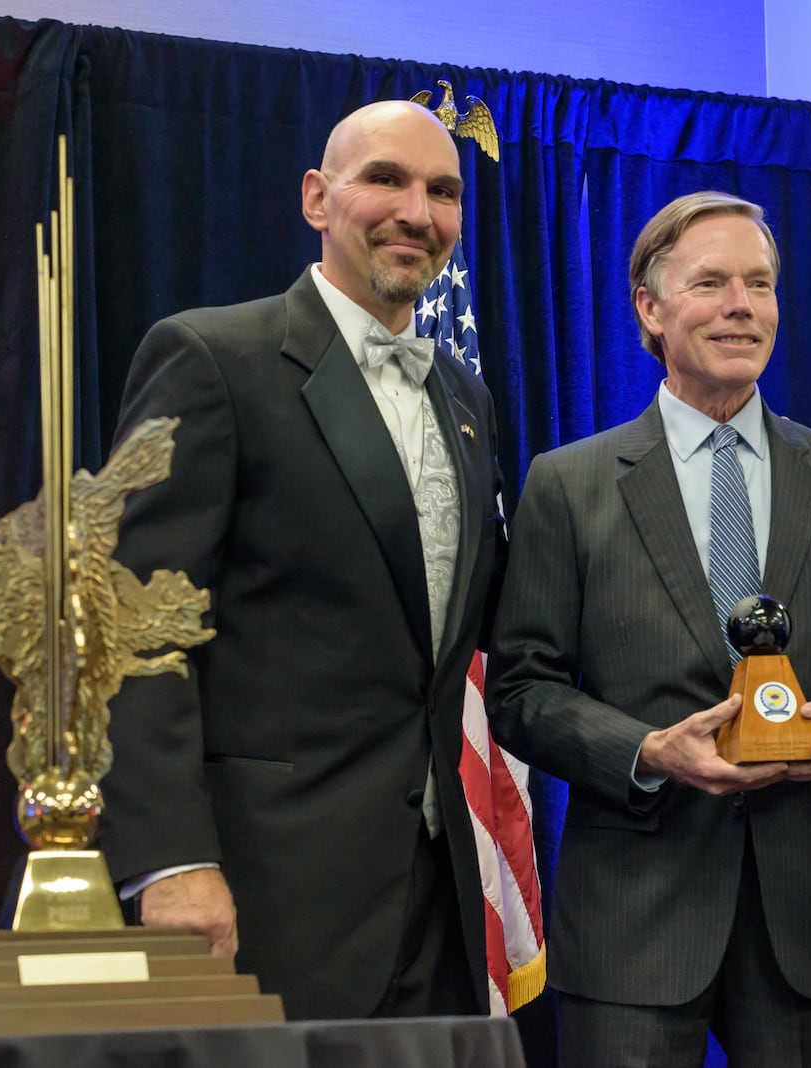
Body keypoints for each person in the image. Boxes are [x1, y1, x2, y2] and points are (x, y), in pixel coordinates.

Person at [100, 100, 507, 1020]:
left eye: (443, 191)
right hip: (263, 894)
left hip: (436, 900)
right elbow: (131, 629)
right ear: (317, 198)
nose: (417, 212)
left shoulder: (465, 396)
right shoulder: (211, 358)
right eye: (386, 180)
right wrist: (171, 860)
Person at [489, 191, 811, 1067]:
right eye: (711, 283)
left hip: (803, 918)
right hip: (634, 917)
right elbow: (522, 691)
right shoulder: (569, 484)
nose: (741, 306)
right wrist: (648, 750)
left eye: (760, 284)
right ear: (650, 308)